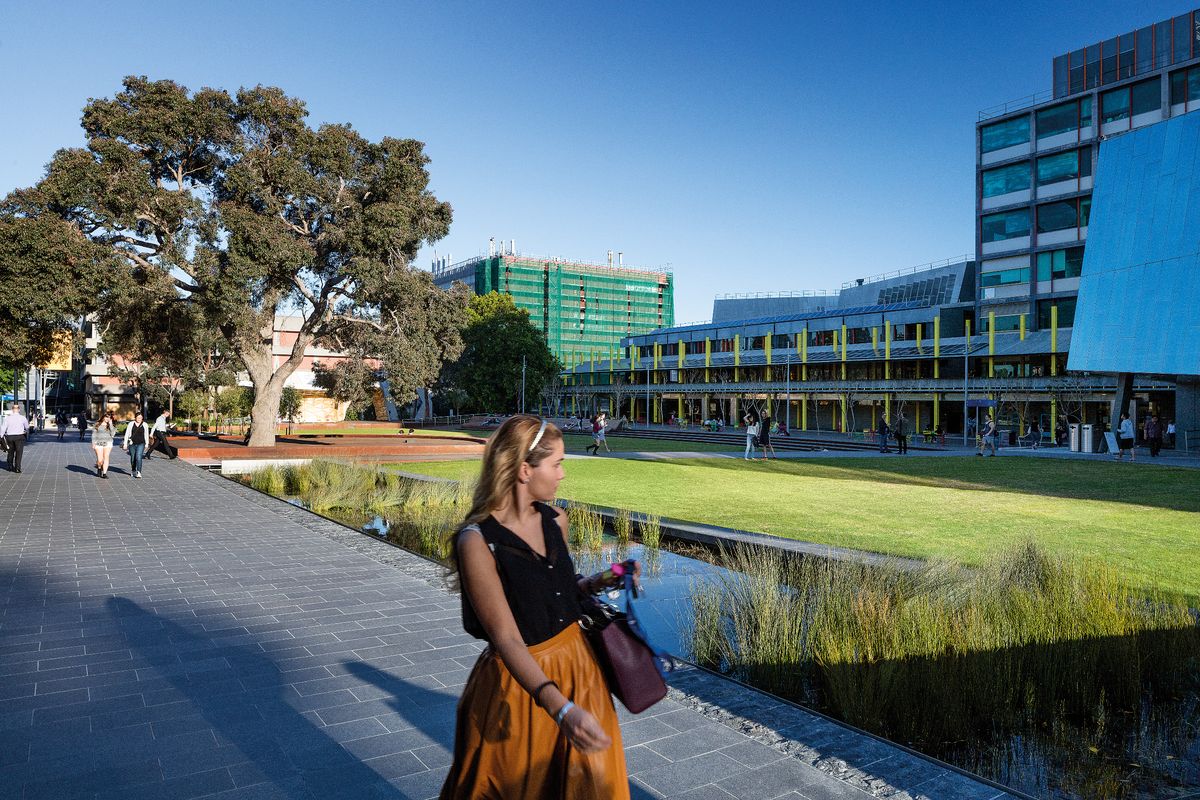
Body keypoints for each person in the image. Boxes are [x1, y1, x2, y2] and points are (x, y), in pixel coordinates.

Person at [439, 416, 634, 799]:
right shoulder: (478, 542)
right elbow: (508, 638)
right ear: (525, 470)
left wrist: (603, 579)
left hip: (581, 672)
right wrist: (560, 708)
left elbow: (559, 595)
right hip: (521, 685)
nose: (562, 474)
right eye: (557, 463)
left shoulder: (556, 521)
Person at [122, 412, 153, 478]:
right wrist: (125, 444)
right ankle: (133, 470)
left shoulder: (145, 424)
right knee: (133, 458)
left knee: (138, 457)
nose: (139, 419)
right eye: (138, 418)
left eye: (141, 418)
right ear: (135, 418)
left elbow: (146, 434)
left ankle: (139, 472)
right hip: (132, 443)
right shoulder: (131, 424)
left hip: (141, 443)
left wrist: (147, 444)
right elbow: (127, 434)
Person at [1, 404, 30, 473]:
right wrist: (26, 432)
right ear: (19, 410)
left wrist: (1, 436)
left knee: (10, 452)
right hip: (19, 437)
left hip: (9, 437)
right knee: (19, 452)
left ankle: (10, 466)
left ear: (12, 410)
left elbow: (3, 428)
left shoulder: (7, 418)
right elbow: (27, 427)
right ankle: (17, 468)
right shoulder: (22, 418)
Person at [91, 412, 117, 478]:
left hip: (108, 443)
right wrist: (93, 443)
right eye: (106, 417)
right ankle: (99, 467)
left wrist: (111, 424)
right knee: (100, 460)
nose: (107, 419)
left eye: (109, 417)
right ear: (103, 417)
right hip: (98, 443)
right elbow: (94, 434)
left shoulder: (111, 425)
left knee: (106, 457)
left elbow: (113, 434)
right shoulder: (97, 424)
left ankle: (104, 473)